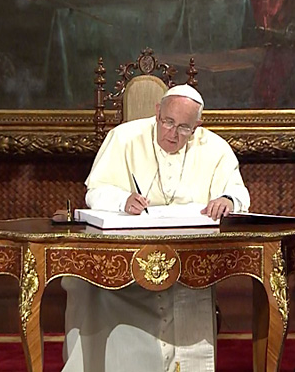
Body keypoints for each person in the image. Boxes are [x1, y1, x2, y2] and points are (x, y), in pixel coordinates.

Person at [62, 84, 251, 372]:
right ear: (157, 113)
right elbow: (95, 192)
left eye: (184, 128)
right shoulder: (124, 138)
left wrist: (227, 200)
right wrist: (123, 200)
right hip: (127, 260)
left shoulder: (213, 147)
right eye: (168, 122)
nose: (172, 134)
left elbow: (239, 195)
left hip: (188, 260)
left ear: (197, 126)